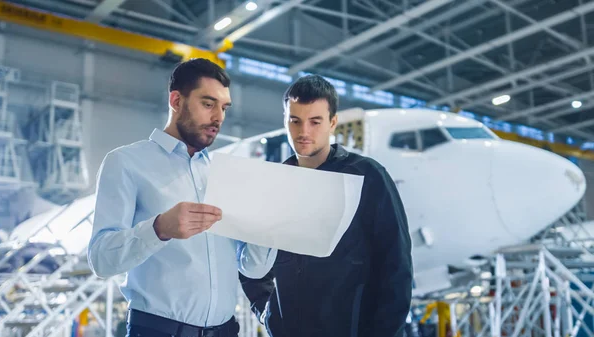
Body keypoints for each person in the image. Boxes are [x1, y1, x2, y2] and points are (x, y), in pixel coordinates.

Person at [87, 58, 277, 337]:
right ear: (176, 101)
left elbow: (252, 266)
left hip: (226, 332)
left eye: (223, 108)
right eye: (208, 104)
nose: (219, 118)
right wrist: (159, 228)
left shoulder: (223, 175)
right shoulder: (126, 162)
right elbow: (101, 260)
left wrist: (266, 227)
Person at [239, 75, 413, 337]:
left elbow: (396, 268)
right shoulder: (273, 187)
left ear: (333, 122)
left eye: (315, 121)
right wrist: (267, 312)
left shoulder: (367, 176)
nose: (304, 131)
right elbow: (250, 263)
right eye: (295, 121)